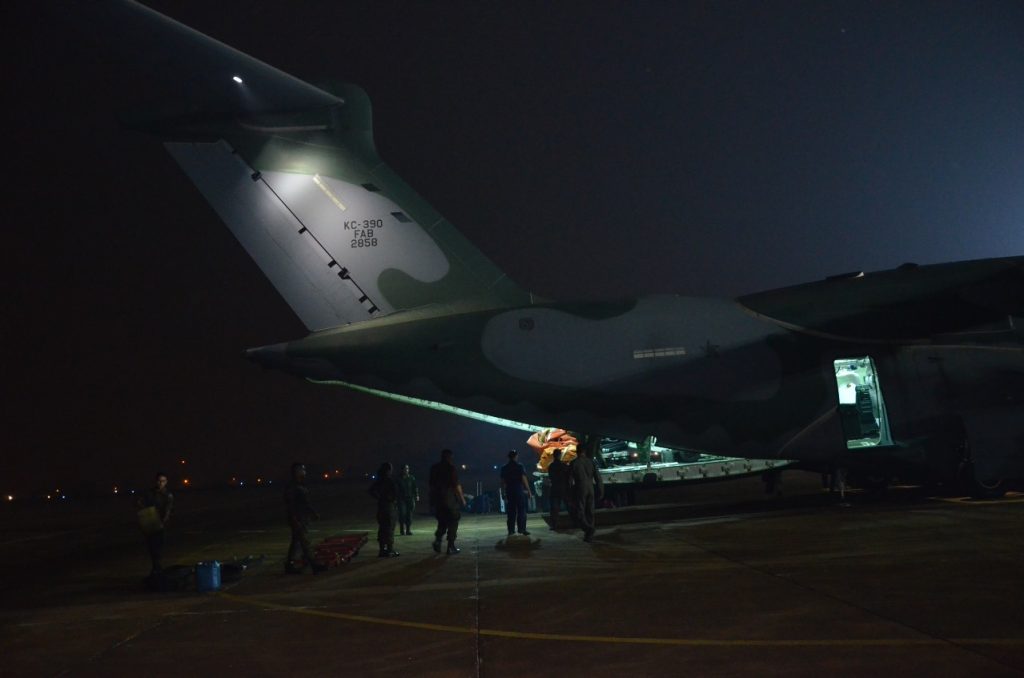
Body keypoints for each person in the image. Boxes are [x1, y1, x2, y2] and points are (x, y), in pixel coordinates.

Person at [284, 462, 327, 574]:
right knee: (305, 542)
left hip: (302, 517)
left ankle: (289, 566)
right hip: (297, 518)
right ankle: (314, 565)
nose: (305, 472)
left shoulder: (300, 485)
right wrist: (295, 519)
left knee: (296, 543)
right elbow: (291, 505)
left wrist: (312, 513)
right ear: (297, 471)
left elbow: (305, 503)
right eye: (303, 469)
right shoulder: (293, 487)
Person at [429, 449, 466, 554]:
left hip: (438, 500)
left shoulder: (434, 468)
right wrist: (462, 499)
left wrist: (432, 501)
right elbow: (456, 485)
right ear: (450, 457)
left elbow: (431, 486)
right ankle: (450, 546)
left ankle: (438, 541)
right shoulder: (451, 468)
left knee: (442, 521)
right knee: (453, 522)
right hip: (449, 500)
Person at [137, 471, 174, 574]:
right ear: (156, 481)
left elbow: (168, 510)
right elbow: (141, 503)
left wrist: (163, 522)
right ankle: (156, 567)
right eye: (159, 481)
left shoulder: (168, 495)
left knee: (159, 547)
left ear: (166, 482)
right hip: (150, 522)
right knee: (151, 546)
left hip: (161, 524)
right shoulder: (150, 493)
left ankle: (157, 567)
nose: (160, 483)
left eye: (163, 481)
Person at [568, 447, 604, 542]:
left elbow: (570, 480)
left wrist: (570, 493)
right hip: (590, 488)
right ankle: (589, 535)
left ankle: (588, 529)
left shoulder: (574, 463)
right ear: (584, 451)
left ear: (577, 452)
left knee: (580, 512)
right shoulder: (591, 462)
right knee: (590, 511)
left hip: (580, 488)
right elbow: (598, 478)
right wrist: (601, 490)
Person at [369, 462, 400, 557]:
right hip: (389, 507)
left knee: (382, 528)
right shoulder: (389, 480)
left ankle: (382, 550)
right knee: (390, 528)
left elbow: (371, 490)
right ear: (388, 470)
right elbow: (395, 493)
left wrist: (379, 497)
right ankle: (390, 549)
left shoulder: (379, 480)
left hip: (381, 506)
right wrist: (391, 499)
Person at [500, 449, 533, 536]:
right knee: (521, 510)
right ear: (516, 456)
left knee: (511, 511)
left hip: (509, 491)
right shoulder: (520, 466)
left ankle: (511, 530)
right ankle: (522, 529)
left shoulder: (504, 468)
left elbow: (502, 482)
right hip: (518, 490)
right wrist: (529, 491)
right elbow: (524, 479)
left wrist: (503, 492)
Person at [547, 449, 569, 529]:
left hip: (554, 488)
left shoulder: (551, 466)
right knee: (569, 505)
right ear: (560, 455)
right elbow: (568, 476)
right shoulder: (564, 465)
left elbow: (550, 477)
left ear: (553, 456)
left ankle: (554, 524)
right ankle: (576, 521)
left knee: (554, 508)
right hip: (563, 487)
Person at [396, 464, 419, 536]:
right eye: (405, 469)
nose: (406, 470)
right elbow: (396, 489)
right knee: (402, 514)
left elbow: (415, 487)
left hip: (410, 498)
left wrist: (417, 495)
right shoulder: (398, 479)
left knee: (409, 514)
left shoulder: (411, 478)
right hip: (401, 499)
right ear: (402, 470)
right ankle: (402, 530)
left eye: (407, 468)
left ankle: (408, 530)